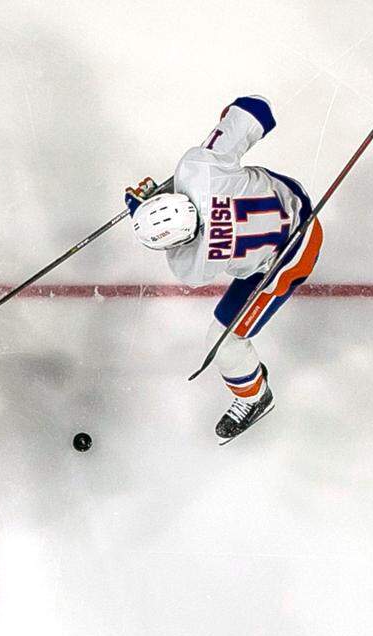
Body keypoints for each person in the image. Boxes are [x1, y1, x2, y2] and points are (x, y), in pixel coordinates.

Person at [125, 95, 324, 443]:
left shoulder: (189, 266)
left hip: (290, 256)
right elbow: (256, 109)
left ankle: (255, 397)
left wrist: (140, 206)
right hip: (292, 198)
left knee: (225, 343)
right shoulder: (200, 168)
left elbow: (186, 241)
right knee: (223, 337)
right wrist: (218, 143)